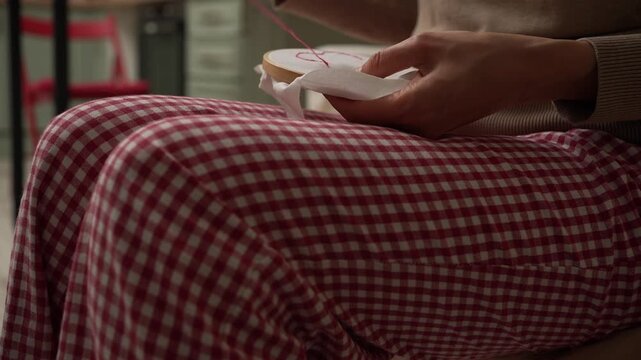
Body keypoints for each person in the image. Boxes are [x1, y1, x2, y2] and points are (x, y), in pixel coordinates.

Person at [1, 0, 640, 359]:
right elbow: (431, 12)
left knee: (173, 182)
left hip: (614, 146)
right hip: (463, 122)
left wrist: (565, 66)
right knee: (78, 140)